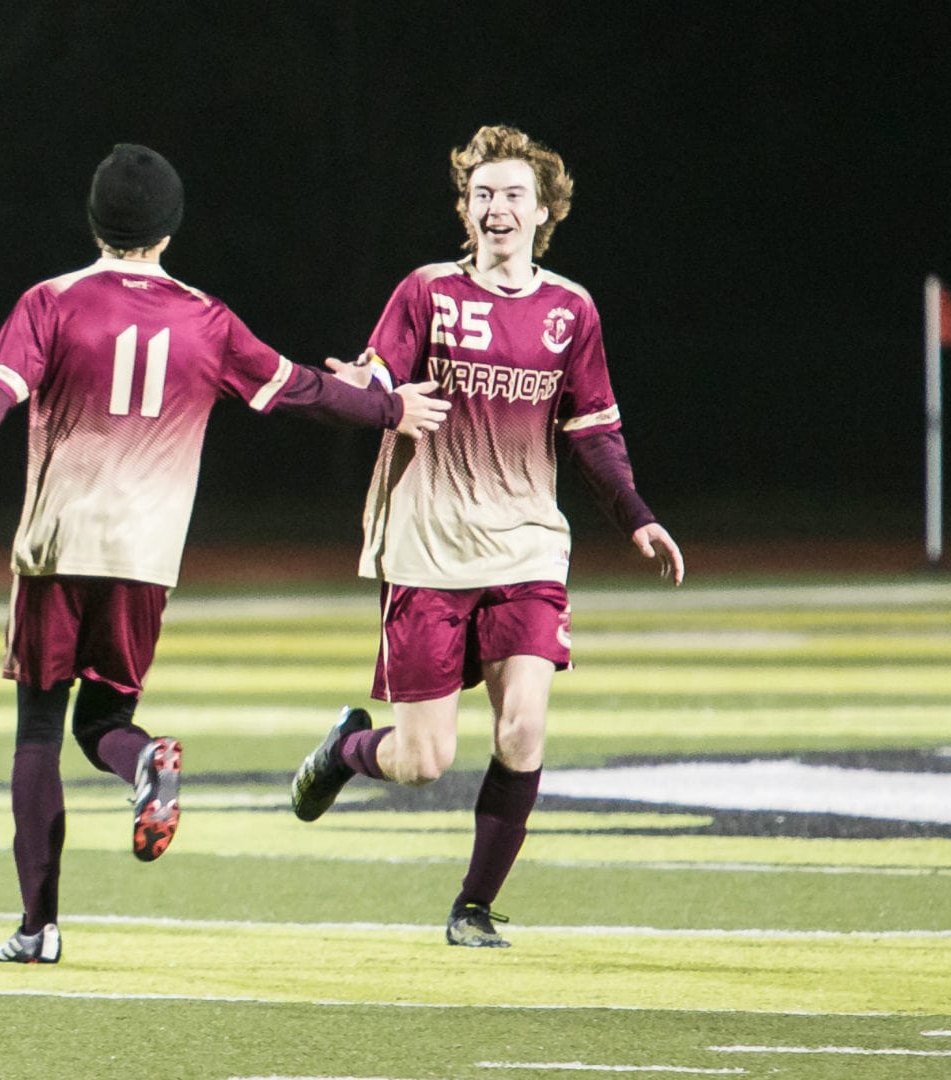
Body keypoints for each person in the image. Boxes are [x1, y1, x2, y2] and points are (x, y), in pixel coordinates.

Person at [0, 143, 450, 964]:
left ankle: (38, 927)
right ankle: (145, 762)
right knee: (106, 721)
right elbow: (299, 389)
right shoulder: (207, 318)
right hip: (147, 558)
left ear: (94, 219)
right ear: (169, 230)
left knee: (37, 733)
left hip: (58, 548)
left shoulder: (50, 302)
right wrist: (386, 408)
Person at [289, 124, 684, 948]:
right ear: (465, 211)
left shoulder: (570, 310)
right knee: (422, 760)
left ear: (544, 210)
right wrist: (367, 393)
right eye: (482, 195)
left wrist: (636, 516)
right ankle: (344, 752)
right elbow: (375, 382)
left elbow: (593, 431)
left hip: (528, 545)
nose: (496, 208)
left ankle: (472, 906)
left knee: (523, 730)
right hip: (429, 547)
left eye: (512, 194)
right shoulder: (428, 292)